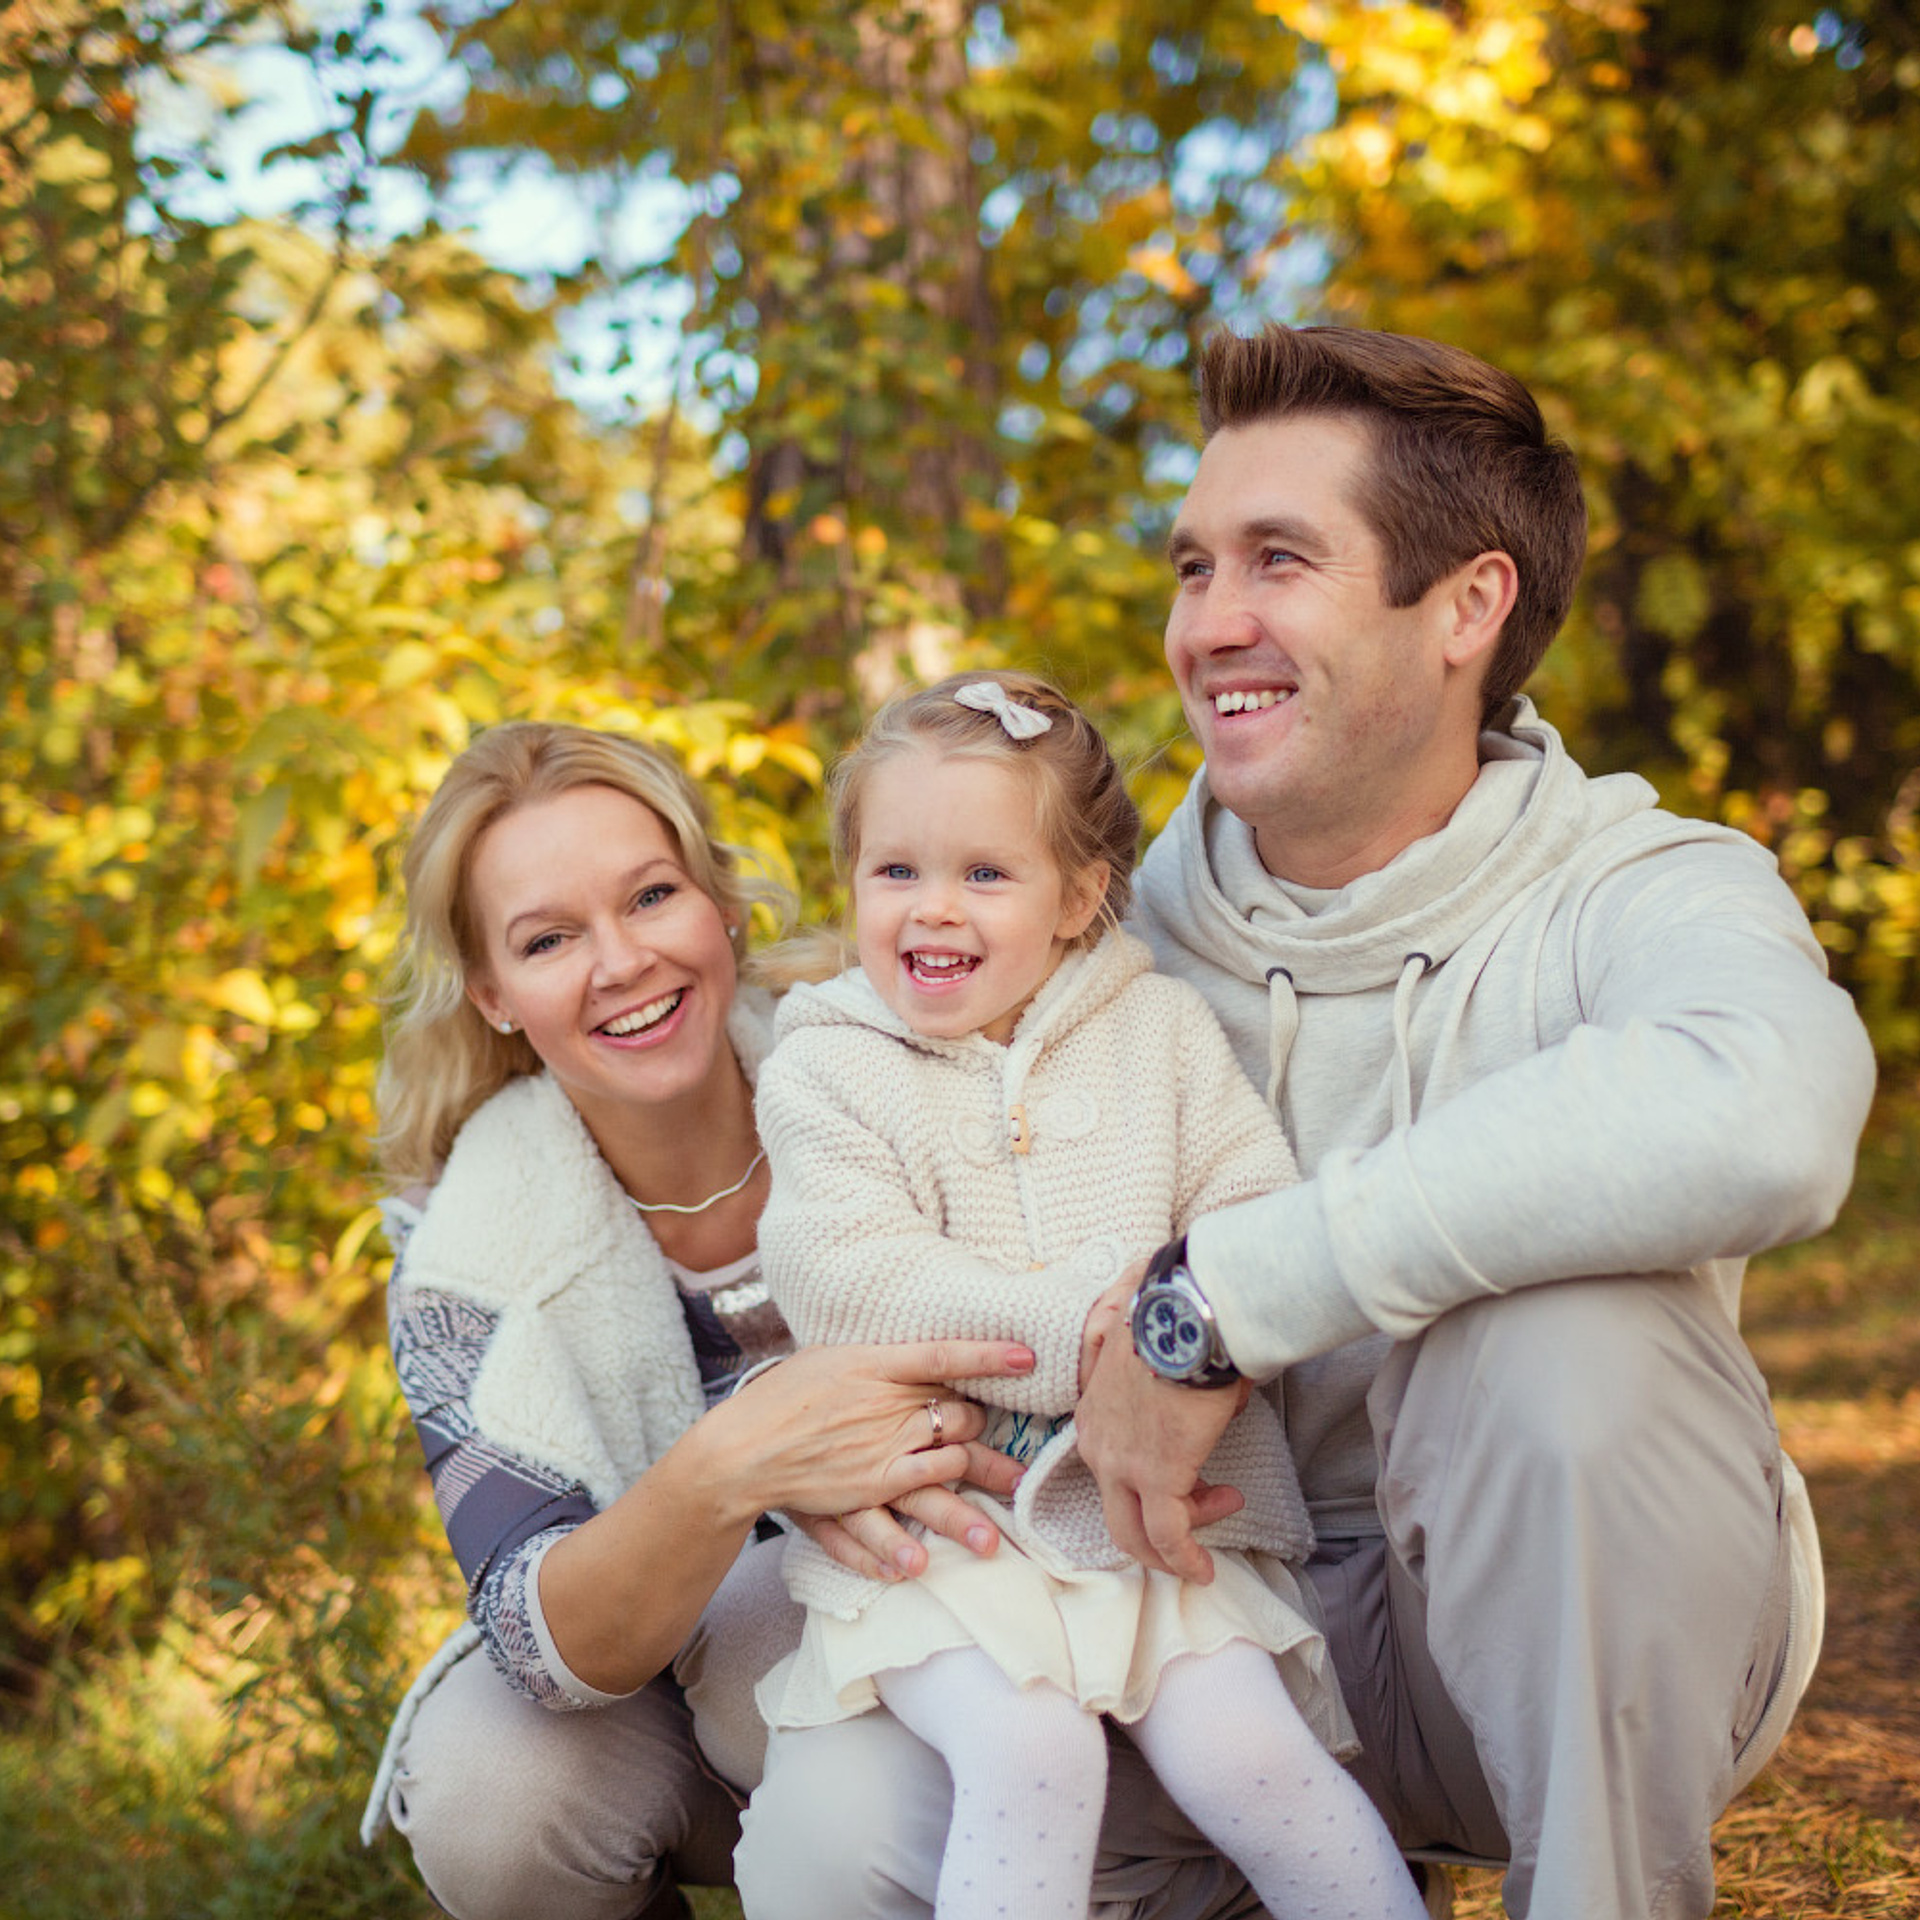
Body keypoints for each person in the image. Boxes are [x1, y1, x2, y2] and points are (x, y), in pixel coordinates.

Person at [734, 325, 1877, 1920]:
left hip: (1549, 1653)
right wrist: (811, 1445)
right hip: (1173, 1610)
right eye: (1195, 566)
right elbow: (815, 1099)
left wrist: (1217, 1306)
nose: (1212, 623)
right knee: (828, 1829)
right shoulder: (1077, 933)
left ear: (1470, 607)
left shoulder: (1637, 883)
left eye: (1279, 560)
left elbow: (1767, 1114)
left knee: (1569, 1349)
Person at [748, 671, 1425, 1920]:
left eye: (984, 876)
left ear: (1078, 898)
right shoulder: (826, 1067)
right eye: (894, 872)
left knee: (1257, 1762)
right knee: (1031, 1753)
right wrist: (1092, 1333)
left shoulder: (1157, 1032)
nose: (931, 908)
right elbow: (847, 1275)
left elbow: (1251, 1207)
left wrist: (1187, 1311)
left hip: (1157, 1521)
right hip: (945, 1534)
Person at [358, 719, 1042, 1920]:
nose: (620, 962)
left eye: (651, 896)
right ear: (494, 995)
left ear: (720, 903)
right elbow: (535, 1629)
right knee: (487, 1787)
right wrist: (734, 1460)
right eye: (549, 939)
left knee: (778, 1664)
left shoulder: (905, 1055)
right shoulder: (464, 1260)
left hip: (983, 1619)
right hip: (670, 1695)